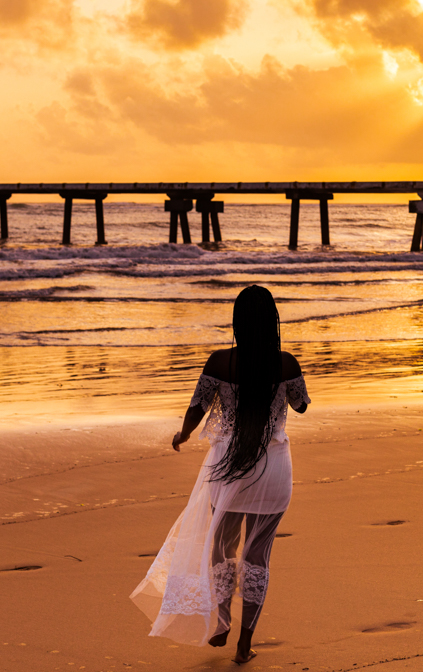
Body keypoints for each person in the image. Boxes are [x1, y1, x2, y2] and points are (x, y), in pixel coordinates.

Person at [131, 285, 310, 664]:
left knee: (222, 547)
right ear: (272, 321)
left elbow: (197, 407)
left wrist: (183, 434)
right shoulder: (287, 363)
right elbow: (301, 405)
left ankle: (222, 621)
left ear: (238, 322)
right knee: (257, 554)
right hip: (273, 467)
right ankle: (245, 644)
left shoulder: (219, 363)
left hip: (228, 465)